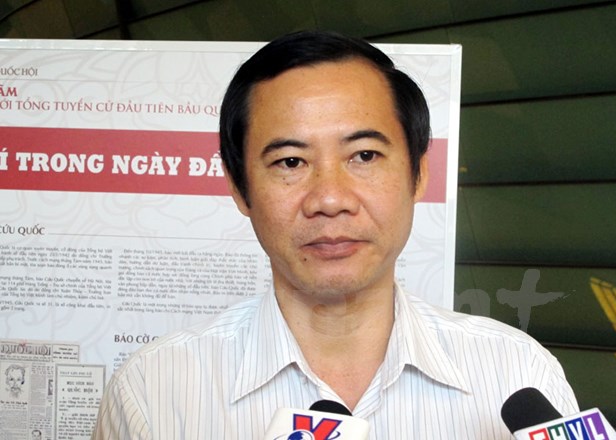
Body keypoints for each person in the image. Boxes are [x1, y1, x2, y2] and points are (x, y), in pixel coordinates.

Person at [92, 31, 578, 439]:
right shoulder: (153, 391)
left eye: (364, 156)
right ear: (239, 188)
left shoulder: (516, 372)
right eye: (290, 162)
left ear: (418, 175)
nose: (329, 198)